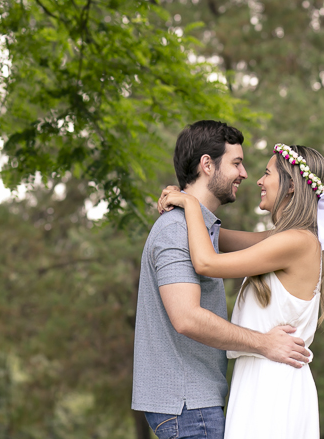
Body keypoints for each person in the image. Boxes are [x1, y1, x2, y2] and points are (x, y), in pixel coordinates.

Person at [132, 122, 313, 439]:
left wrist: (188, 202)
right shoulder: (177, 229)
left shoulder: (203, 230)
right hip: (188, 405)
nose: (246, 175)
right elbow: (187, 318)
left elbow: (273, 242)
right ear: (206, 165)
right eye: (237, 163)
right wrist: (263, 343)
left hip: (200, 403)